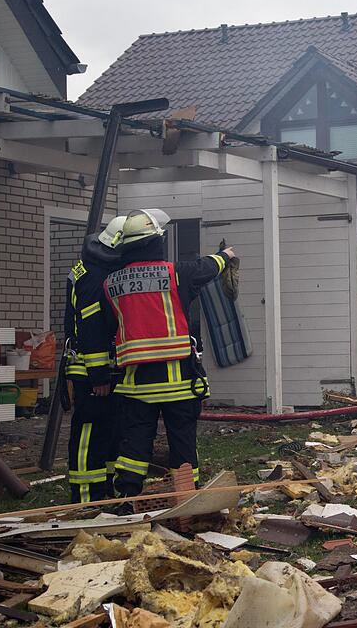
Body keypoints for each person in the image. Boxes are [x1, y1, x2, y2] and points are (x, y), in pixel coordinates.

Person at [102, 209, 234, 498]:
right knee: (182, 442)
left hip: (136, 385)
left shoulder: (111, 284)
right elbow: (206, 267)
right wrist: (226, 255)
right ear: (155, 242)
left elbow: (113, 326)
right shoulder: (176, 273)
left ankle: (128, 498)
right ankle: (185, 498)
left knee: (135, 443)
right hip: (178, 383)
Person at [64, 216, 126, 503]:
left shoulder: (89, 266)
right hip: (91, 369)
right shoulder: (94, 277)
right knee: (89, 431)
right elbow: (91, 328)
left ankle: (104, 491)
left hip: (99, 366)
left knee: (110, 430)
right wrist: (99, 374)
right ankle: (86, 496)